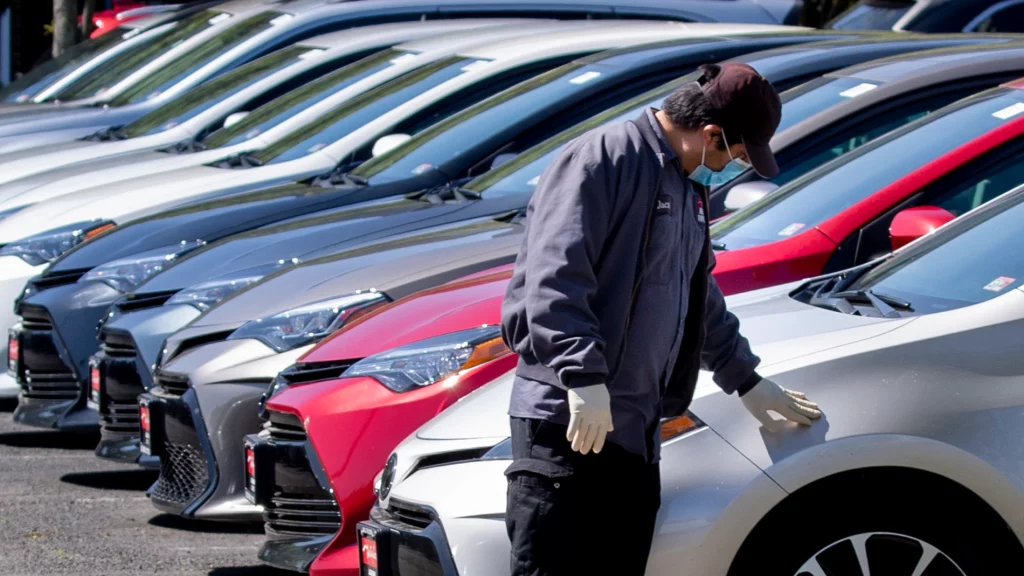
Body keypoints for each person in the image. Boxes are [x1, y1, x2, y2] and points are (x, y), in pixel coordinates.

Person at [500, 62, 823, 576]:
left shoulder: (685, 183)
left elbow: (697, 295)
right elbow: (554, 277)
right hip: (567, 426)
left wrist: (746, 380)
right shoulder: (606, 157)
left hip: (634, 433)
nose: (729, 168)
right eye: (733, 155)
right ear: (710, 133)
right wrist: (583, 376)